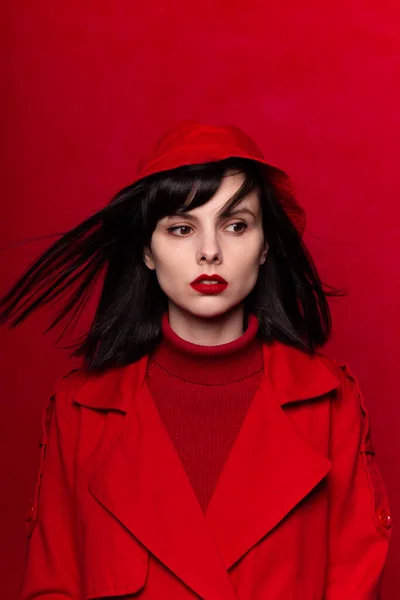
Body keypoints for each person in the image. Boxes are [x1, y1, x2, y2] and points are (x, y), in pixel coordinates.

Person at [0, 120, 393, 599]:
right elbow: (52, 585)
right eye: (182, 228)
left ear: (266, 244)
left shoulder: (329, 404)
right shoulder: (80, 411)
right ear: (148, 249)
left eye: (235, 225)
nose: (210, 252)